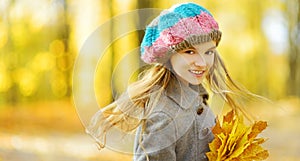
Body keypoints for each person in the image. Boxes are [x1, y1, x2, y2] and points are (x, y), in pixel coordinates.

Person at [87, 2, 258, 161]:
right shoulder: (164, 116)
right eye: (190, 52)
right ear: (169, 55)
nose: (202, 62)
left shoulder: (195, 96)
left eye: (209, 52)